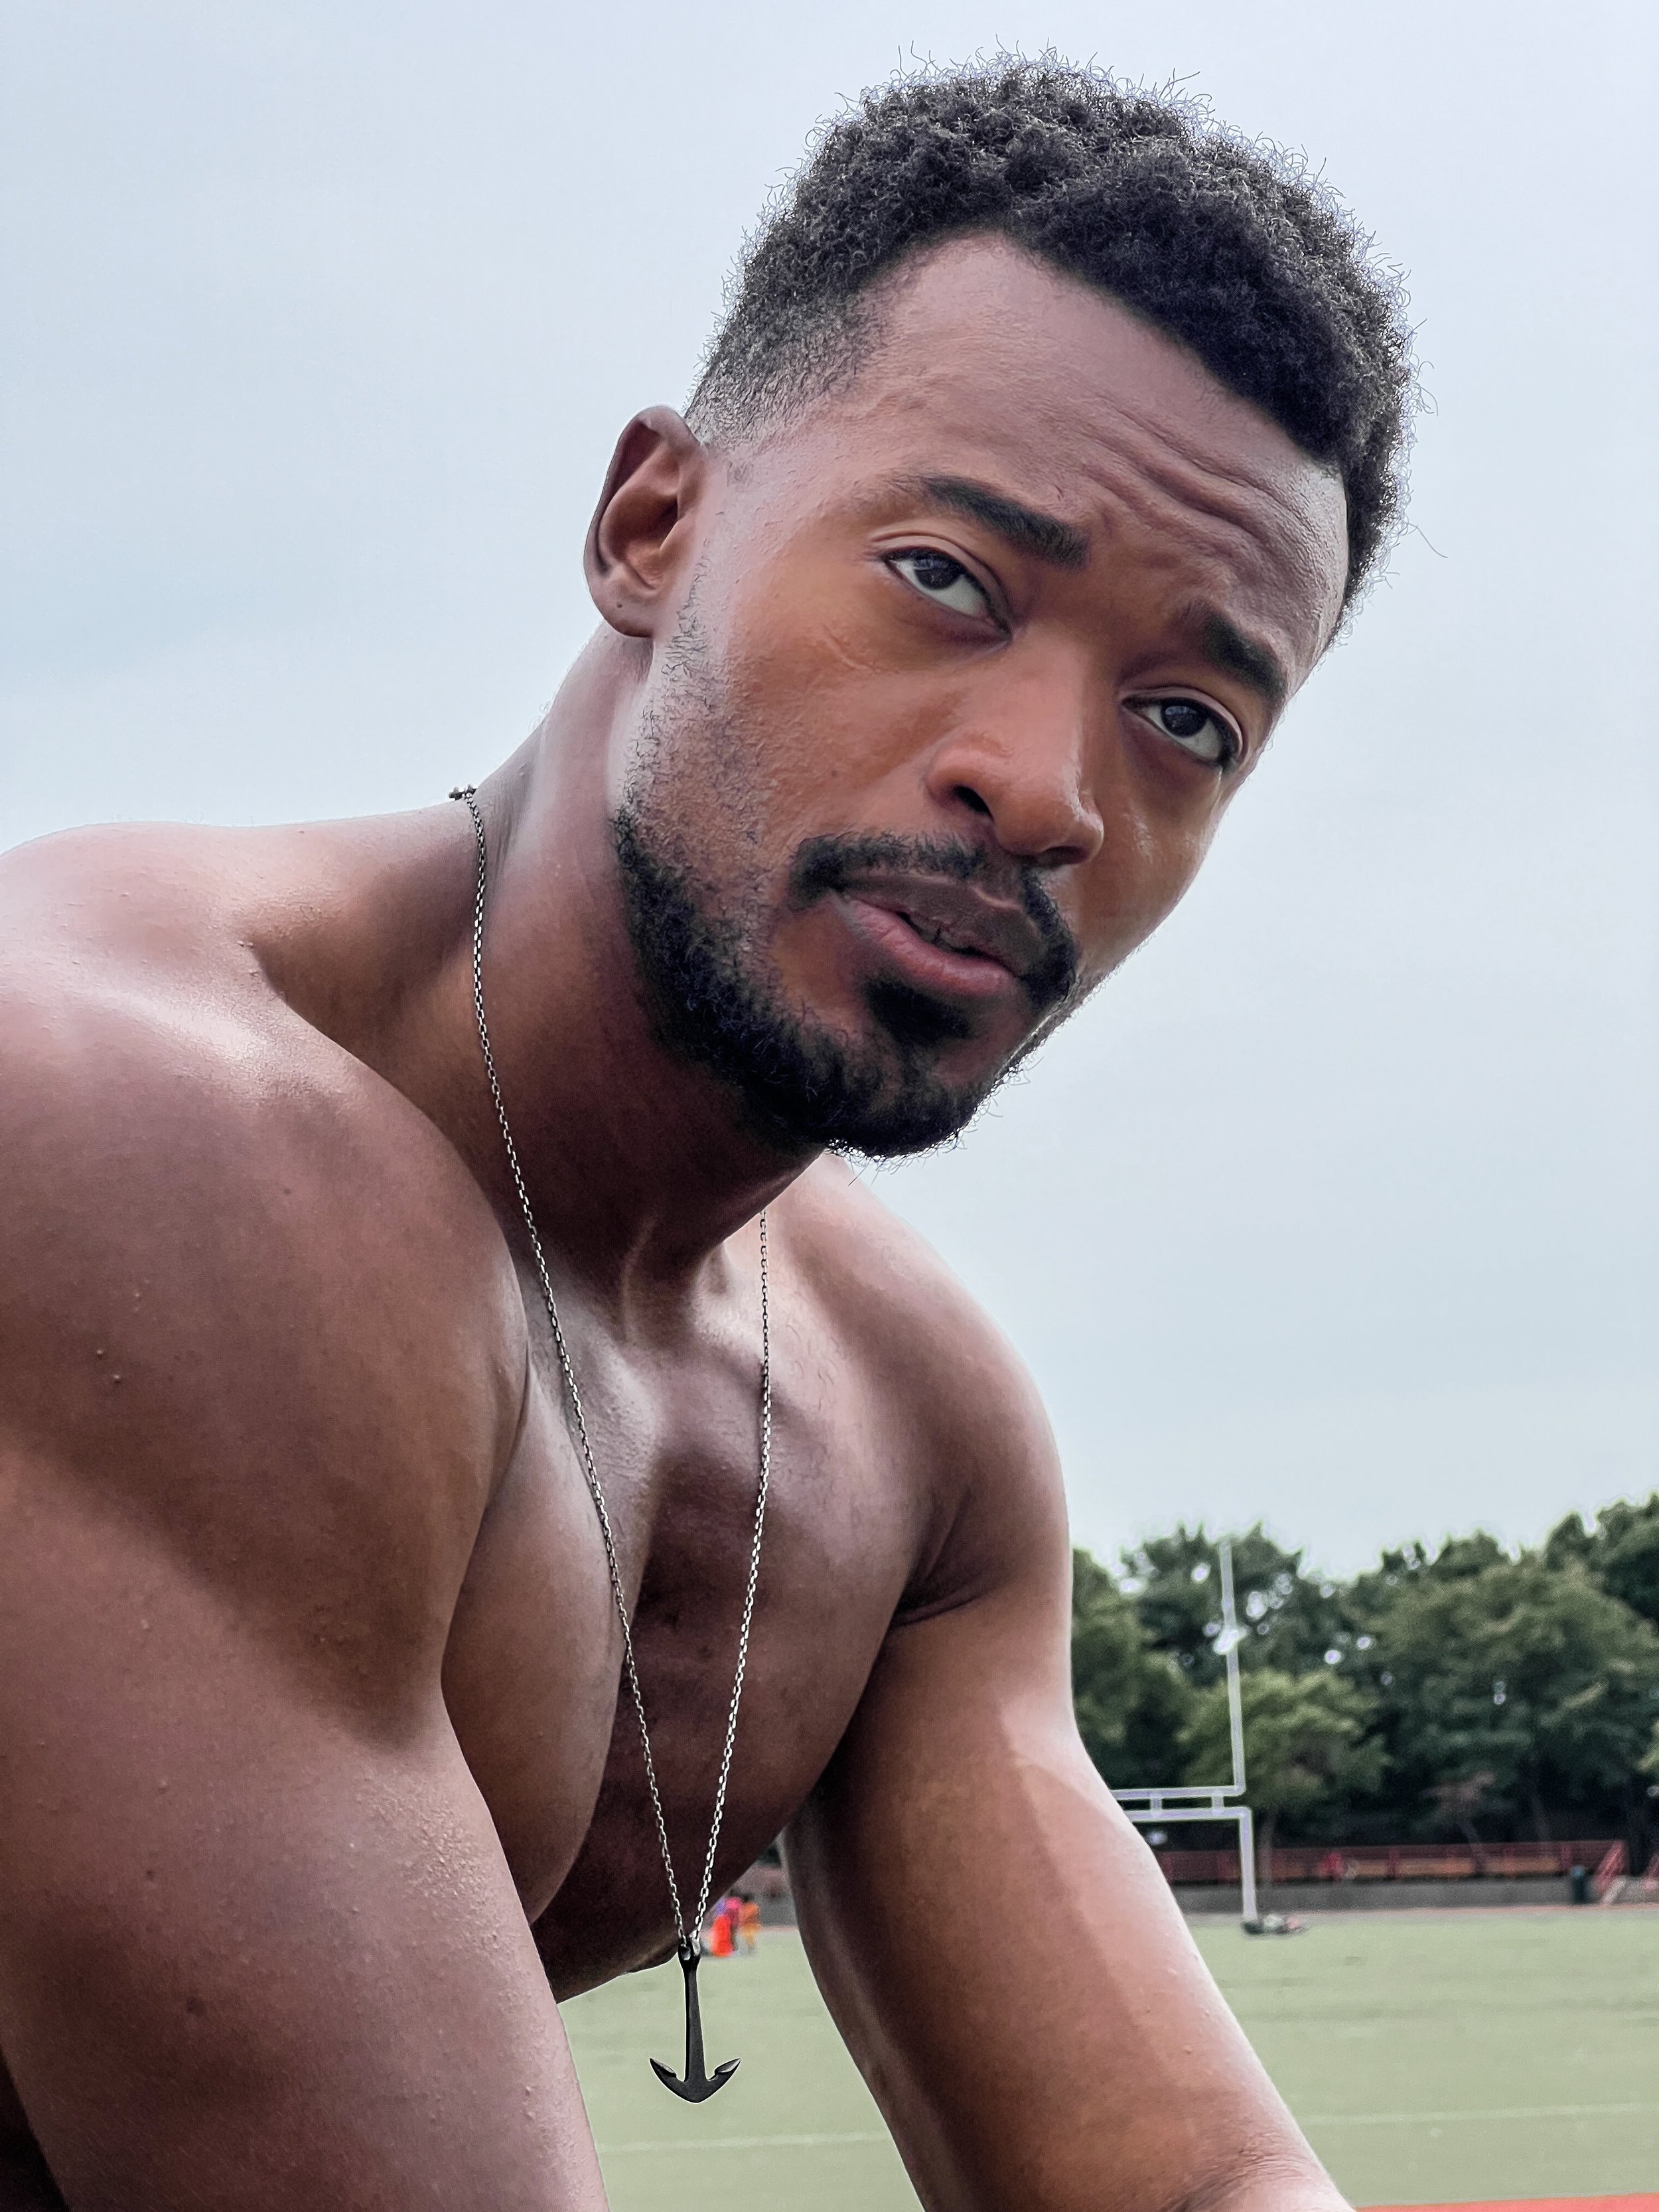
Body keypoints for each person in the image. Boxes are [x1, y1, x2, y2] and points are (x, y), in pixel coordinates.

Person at [0, 59, 1411, 2212]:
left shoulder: (910, 1434)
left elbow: (1189, 2187)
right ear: (650, 525)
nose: (1045, 791)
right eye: (945, 577)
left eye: (1189, 718)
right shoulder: (121, 1124)